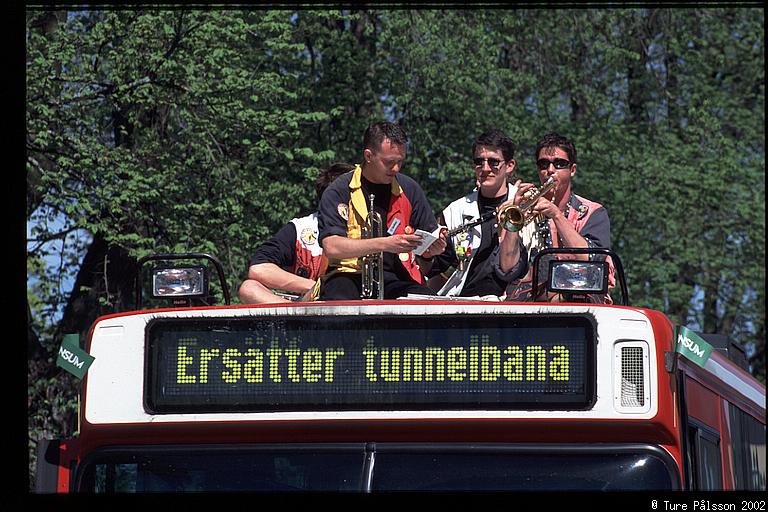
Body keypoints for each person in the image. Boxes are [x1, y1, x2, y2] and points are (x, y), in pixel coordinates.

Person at [317, 121, 447, 300]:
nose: (396, 168)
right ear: (368, 156)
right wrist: (385, 244)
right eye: (389, 162)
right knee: (340, 302)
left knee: (426, 301)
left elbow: (426, 248)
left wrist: (431, 249)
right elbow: (331, 246)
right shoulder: (339, 189)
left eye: (400, 162)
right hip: (347, 275)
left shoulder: (409, 188)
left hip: (394, 277)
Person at [494, 132, 613, 303]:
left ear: (572, 170)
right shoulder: (526, 208)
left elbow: (592, 259)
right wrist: (514, 221)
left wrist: (556, 214)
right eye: (543, 164)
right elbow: (506, 268)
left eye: (559, 164)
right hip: (531, 298)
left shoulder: (593, 212)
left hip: (581, 298)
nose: (550, 170)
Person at [238, 162, 354, 304]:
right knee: (248, 288)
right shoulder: (301, 229)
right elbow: (259, 269)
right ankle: (297, 320)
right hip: (310, 307)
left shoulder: (374, 223)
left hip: (357, 303)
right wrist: (316, 287)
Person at [427, 129, 523, 298]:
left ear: (510, 166)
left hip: (515, 303)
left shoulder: (527, 203)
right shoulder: (455, 210)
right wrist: (428, 251)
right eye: (479, 162)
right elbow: (435, 266)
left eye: (494, 162)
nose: (485, 168)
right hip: (465, 304)